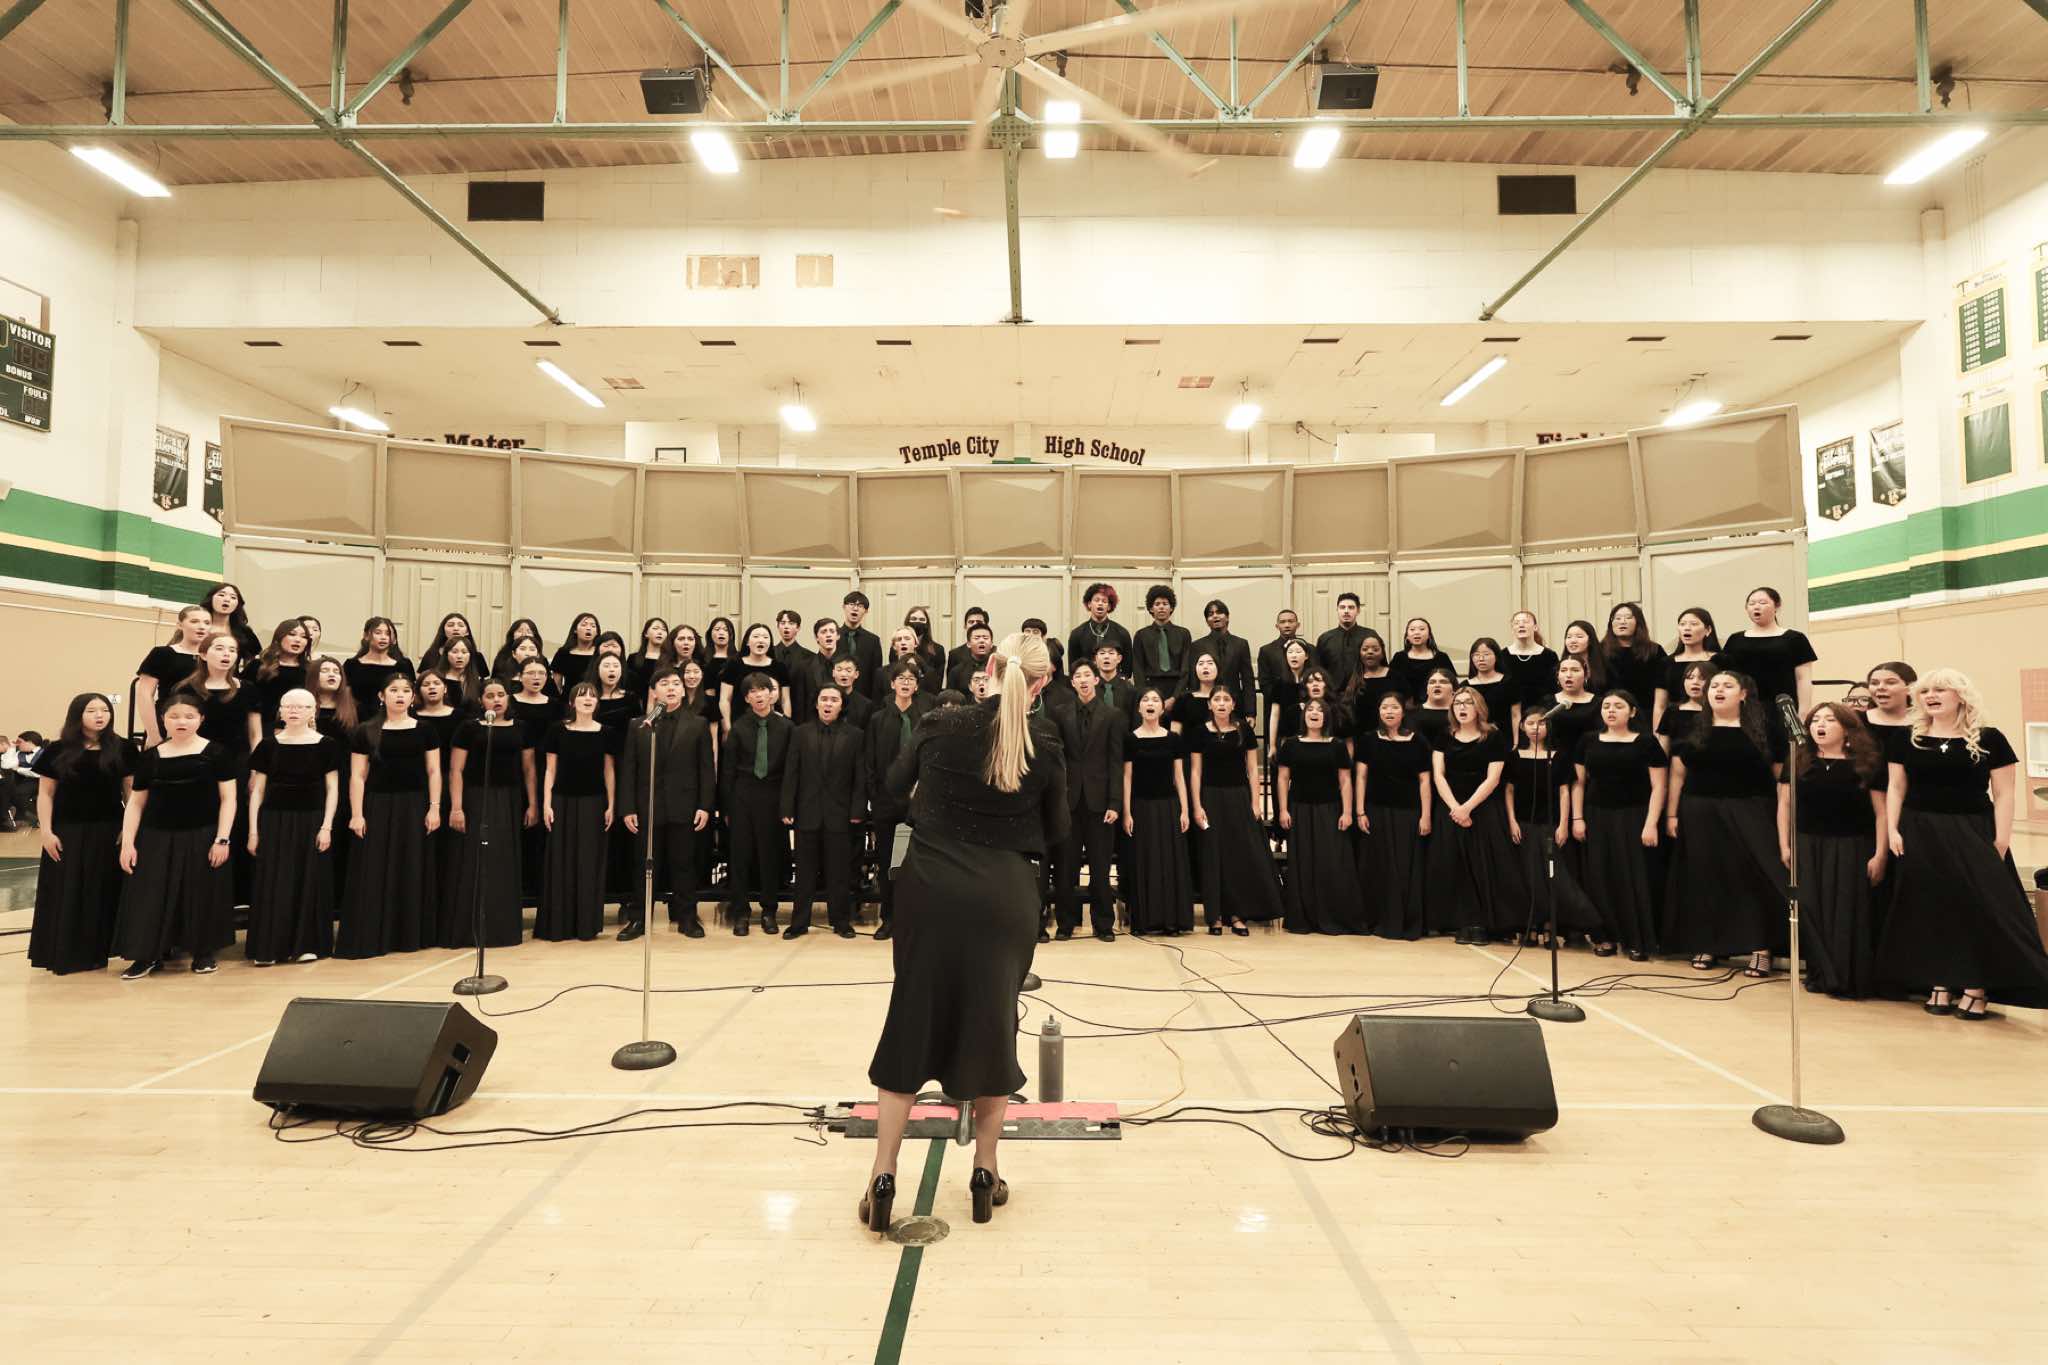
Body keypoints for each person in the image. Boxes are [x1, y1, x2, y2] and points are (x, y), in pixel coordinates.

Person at [863, 631, 1067, 1231]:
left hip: (930, 888)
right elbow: (1058, 829)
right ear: (1041, 683)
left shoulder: (939, 722)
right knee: (992, 1024)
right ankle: (984, 1170)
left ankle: (882, 1176)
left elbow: (892, 788)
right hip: (1003, 896)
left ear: (989, 667)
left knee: (911, 1019)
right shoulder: (1044, 741)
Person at [1874, 669, 2048, 1018]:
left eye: (1940, 689)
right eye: (1925, 691)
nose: (1931, 696)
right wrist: (1893, 829)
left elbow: (2004, 793)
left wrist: (2001, 839)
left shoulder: (1990, 738)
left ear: (1961, 696)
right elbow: (1896, 787)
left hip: (1972, 829)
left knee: (1977, 907)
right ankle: (1940, 980)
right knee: (1930, 906)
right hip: (1919, 829)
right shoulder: (1906, 738)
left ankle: (1975, 985)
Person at [1664, 671, 1787, 977]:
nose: (1718, 690)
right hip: (1699, 810)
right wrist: (1672, 814)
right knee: (1706, 876)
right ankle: (1708, 943)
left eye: (1727, 686)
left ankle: (1760, 947)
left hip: (1751, 809)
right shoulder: (1693, 726)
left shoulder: (1764, 728)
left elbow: (1780, 776)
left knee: (1751, 876)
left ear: (1743, 694)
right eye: (1714, 686)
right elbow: (1677, 774)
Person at [114, 692, 236, 979]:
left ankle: (203, 953)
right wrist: (128, 843)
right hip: (156, 836)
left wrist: (222, 838)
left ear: (201, 719)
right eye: (174, 716)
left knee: (201, 894)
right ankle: (147, 956)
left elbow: (228, 799)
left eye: (189, 716)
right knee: (150, 896)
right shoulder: (150, 757)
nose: (182, 721)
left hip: (202, 834)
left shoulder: (217, 753)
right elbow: (136, 802)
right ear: (163, 720)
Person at [338, 673, 442, 958]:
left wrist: (434, 807)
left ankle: (409, 935)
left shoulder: (425, 730)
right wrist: (357, 814)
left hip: (414, 805)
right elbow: (358, 776)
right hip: (378, 805)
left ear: (413, 697)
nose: (400, 695)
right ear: (382, 696)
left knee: (411, 867)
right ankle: (375, 933)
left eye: (406, 690)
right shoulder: (366, 731)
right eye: (394, 690)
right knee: (375, 869)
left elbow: (434, 770)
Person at [28, 694, 130, 975]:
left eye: (105, 710)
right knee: (67, 890)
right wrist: (46, 832)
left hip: (108, 830)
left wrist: (128, 828)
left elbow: (131, 792)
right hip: (66, 831)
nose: (100, 715)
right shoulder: (57, 749)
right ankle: (65, 952)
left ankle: (99, 952)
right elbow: (46, 794)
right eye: (91, 710)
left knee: (101, 891)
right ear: (77, 715)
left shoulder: (122, 748)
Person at [1791, 702, 1886, 998]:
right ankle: (1820, 974)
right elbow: (1785, 805)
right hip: (1808, 843)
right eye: (1815, 720)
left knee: (1846, 910)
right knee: (1812, 909)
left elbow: (1881, 813)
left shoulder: (1866, 764)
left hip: (1852, 845)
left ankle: (1846, 978)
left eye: (1830, 720)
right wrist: (1785, 844)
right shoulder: (1800, 760)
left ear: (1847, 729)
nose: (1820, 725)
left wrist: (1880, 853)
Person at [245, 688, 342, 966]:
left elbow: (332, 789)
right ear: (281, 711)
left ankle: (306, 945)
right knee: (274, 882)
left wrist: (326, 826)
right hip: (274, 820)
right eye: (288, 705)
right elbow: (257, 791)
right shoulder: (268, 746)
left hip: (311, 820)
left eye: (302, 706)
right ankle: (270, 948)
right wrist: (254, 831)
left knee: (308, 880)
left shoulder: (327, 745)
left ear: (313, 711)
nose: (294, 710)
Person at [616, 667, 716, 939]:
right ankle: (639, 919)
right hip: (647, 806)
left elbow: (706, 769)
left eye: (675, 683)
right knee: (643, 865)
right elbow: (629, 769)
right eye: (664, 683)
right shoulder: (639, 725)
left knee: (684, 864)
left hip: (685, 805)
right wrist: (627, 808)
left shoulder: (698, 724)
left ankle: (687, 918)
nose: (671, 688)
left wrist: (705, 805)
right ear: (653, 692)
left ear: (683, 690)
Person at [1572, 689, 1668, 960]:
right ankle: (1605, 937)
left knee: (1632, 878)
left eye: (1618, 706)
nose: (1611, 710)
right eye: (1606, 706)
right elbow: (1578, 783)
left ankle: (1637, 940)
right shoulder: (1588, 740)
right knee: (1600, 878)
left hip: (1634, 816)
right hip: (1596, 815)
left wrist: (1651, 823)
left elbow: (1659, 786)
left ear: (1633, 712)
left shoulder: (1646, 742)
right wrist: (1577, 818)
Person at [1426, 687, 1522, 944]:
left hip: (1483, 807)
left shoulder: (1493, 736)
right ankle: (1460, 923)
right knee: (1454, 864)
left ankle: (1484, 923)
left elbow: (1493, 778)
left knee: (1483, 865)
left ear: (1478, 707)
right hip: (1450, 807)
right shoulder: (1444, 736)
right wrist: (1455, 808)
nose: (1462, 707)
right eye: (1458, 703)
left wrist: (1467, 808)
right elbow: (1438, 775)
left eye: (1468, 703)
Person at [444, 679, 533, 949]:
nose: (496, 699)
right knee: (475, 859)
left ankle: (502, 929)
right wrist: (456, 807)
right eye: (490, 695)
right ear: (481, 701)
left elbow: (529, 769)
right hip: (476, 797)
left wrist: (533, 804)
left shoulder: (521, 728)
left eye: (501, 694)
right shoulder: (469, 728)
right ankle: (469, 929)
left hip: (509, 799)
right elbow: (456, 770)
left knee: (503, 859)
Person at [1189, 686, 1283, 936]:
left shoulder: (1244, 730)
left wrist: (1256, 803)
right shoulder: (1200, 732)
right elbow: (1195, 772)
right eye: (1217, 699)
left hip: (1239, 797)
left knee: (1238, 856)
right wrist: (1197, 805)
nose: (1221, 703)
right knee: (1212, 856)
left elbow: (1252, 769)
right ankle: (1215, 916)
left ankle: (1237, 915)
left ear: (1233, 704)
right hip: (1210, 797)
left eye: (1226, 699)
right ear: (1209, 705)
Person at [1504, 709, 1599, 951]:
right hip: (1523, 823)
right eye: (1531, 723)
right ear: (1522, 726)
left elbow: (1564, 791)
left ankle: (1550, 926)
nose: (1536, 728)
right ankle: (1531, 925)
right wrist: (1512, 821)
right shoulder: (1514, 756)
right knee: (1528, 877)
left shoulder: (1559, 756)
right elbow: (1509, 790)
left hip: (1550, 823)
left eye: (1541, 723)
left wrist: (1563, 824)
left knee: (1552, 878)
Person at [781, 683, 867, 939]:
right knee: (804, 873)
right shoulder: (800, 733)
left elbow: (860, 777)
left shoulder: (855, 735)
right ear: (816, 703)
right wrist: (787, 806)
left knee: (839, 873)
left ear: (842, 705)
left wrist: (857, 810)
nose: (828, 704)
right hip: (807, 812)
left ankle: (841, 922)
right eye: (824, 699)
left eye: (834, 700)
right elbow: (791, 772)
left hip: (840, 814)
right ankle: (799, 923)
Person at [1276, 697, 1365, 935]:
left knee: (1331, 862)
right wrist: (1283, 809)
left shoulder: (1336, 745)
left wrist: (1347, 811)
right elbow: (1283, 779)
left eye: (1319, 710)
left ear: (1326, 717)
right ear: (1304, 716)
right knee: (1303, 862)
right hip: (1300, 809)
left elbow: (1345, 781)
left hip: (1330, 809)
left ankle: (1332, 915)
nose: (1314, 713)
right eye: (1310, 709)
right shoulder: (1291, 744)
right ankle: (1303, 918)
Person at [536, 683, 615, 942]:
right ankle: (559, 924)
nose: (588, 699)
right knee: (561, 861)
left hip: (594, 802)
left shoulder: (606, 732)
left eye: (592, 696)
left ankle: (586, 924)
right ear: (572, 702)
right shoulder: (557, 730)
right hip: (562, 801)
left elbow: (609, 771)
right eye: (582, 696)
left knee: (588, 861)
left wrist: (611, 804)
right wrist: (546, 804)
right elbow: (550, 770)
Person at [865, 661, 935, 942]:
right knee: (887, 863)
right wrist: (875, 796)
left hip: (919, 802)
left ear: (917, 686)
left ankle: (916, 919)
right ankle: (889, 918)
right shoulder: (878, 719)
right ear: (892, 684)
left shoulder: (925, 719)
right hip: (886, 802)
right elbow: (870, 762)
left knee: (918, 863)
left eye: (911, 679)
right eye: (901, 678)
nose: (906, 682)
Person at [1053, 660, 1122, 942]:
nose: (1082, 680)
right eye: (1077, 676)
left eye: (1087, 675)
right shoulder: (1060, 713)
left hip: (1100, 803)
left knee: (1100, 867)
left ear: (1096, 680)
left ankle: (1103, 923)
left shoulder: (1112, 715)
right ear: (1072, 683)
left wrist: (1115, 803)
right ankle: (1066, 923)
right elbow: (1057, 760)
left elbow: (1116, 762)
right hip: (1068, 802)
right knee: (1066, 867)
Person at [1355, 692, 1432, 940]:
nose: (1389, 711)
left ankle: (1405, 921)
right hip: (1375, 811)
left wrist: (1426, 815)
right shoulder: (1368, 740)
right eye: (1384, 707)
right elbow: (1361, 777)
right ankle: (1376, 919)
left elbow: (1424, 781)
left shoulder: (1418, 741)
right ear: (1379, 712)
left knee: (1405, 867)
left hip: (1408, 812)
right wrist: (1359, 811)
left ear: (1403, 711)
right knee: (1378, 865)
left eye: (1394, 707)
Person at [723, 673, 794, 935]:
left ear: (772, 694)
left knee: (769, 855)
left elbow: (792, 770)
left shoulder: (787, 727)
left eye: (763, 689)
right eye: (752, 692)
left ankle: (769, 911)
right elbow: (728, 771)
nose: (759, 695)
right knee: (740, 857)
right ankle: (741, 912)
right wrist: (727, 807)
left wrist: (787, 805)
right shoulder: (739, 728)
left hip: (773, 795)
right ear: (746, 698)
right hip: (743, 794)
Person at [1123, 688, 1193, 936]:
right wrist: (1127, 812)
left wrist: (1185, 810)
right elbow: (1127, 777)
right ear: (1139, 708)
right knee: (1145, 861)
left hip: (1168, 806)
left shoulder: (1173, 739)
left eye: (1155, 700)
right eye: (1145, 700)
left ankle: (1171, 920)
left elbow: (1179, 777)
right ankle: (1145, 921)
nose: (1150, 703)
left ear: (1163, 708)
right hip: (1141, 807)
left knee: (1169, 863)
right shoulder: (1130, 739)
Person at [1715, 586, 1816, 749]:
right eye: (1751, 603)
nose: (1756, 607)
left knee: (1781, 753)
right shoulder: (1736, 639)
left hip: (1782, 708)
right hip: (1744, 708)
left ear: (1777, 606)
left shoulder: (1794, 638)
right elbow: (1725, 676)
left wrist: (1803, 712)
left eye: (1762, 603)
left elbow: (1803, 678)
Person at [133, 605, 210, 747]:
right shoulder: (162, 654)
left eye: (206, 623)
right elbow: (144, 695)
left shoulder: (213, 658)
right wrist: (153, 734)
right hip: (169, 723)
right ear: (180, 625)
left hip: (205, 725)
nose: (201, 627)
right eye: (194, 621)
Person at [1598, 602, 1671, 730]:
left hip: (1646, 716)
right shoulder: (1600, 651)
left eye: (1628, 617)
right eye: (1617, 618)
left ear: (1638, 622)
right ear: (1611, 623)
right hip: (1609, 715)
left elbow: (1663, 687)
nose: (1622, 622)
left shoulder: (1654, 651)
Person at [1186, 599, 1255, 715]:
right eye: (1210, 614)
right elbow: (1193, 681)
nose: (1215, 616)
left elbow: (1248, 681)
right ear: (1207, 621)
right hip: (1205, 705)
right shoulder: (1197, 646)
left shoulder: (1240, 644)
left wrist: (1250, 712)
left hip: (1234, 705)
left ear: (1227, 617)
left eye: (1219, 612)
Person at [247, 618, 313, 733]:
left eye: (304, 637)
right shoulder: (259, 666)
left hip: (296, 728)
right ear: (279, 637)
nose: (298, 640)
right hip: (259, 726)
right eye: (292, 634)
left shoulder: (310, 670)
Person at [343, 617, 416, 717]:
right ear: (366, 636)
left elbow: (411, 695)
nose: (383, 637)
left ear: (393, 639)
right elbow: (345, 697)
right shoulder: (352, 665)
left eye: (387, 634)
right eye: (378, 633)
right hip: (359, 718)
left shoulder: (403, 665)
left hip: (394, 717)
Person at [197, 582, 262, 678]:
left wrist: (242, 680)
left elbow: (252, 658)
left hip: (230, 682)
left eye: (233, 597)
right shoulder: (197, 627)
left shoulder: (244, 631)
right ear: (211, 599)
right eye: (221, 595)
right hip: (197, 679)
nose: (227, 599)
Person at [1502, 610, 1558, 723]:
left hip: (1542, 712)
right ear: (1512, 629)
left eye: (1525, 622)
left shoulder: (1549, 656)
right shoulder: (1502, 656)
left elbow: (1554, 688)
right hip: (1509, 714)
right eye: (1517, 623)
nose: (1521, 625)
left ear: (1535, 627)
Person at [1067, 585, 1131, 681]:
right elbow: (1073, 667)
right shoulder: (1077, 634)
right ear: (1089, 604)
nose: (1100, 604)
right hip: (1087, 684)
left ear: (1109, 606)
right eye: (1096, 600)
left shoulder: (1121, 633)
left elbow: (1127, 668)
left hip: (1115, 684)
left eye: (1104, 601)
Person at [1542, 655, 1601, 760]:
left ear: (1586, 674)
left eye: (1575, 670)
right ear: (1557, 675)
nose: (1568, 675)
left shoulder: (1599, 703)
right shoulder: (1547, 702)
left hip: (1589, 758)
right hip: (1555, 759)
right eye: (1563, 670)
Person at [1387, 618, 1456, 706]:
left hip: (1436, 706)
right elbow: (1390, 684)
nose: (1417, 632)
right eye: (1412, 629)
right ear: (1407, 636)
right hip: (1405, 707)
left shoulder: (1441, 657)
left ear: (1429, 635)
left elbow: (1453, 683)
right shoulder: (1399, 658)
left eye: (1422, 629)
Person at [1665, 607, 1721, 713]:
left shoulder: (1721, 660)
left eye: (1694, 624)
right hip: (1676, 717)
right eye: (1682, 624)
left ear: (1708, 630)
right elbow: (1660, 704)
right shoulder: (1667, 662)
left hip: (1713, 715)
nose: (1687, 628)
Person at [1265, 637, 1312, 757]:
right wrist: (1273, 745)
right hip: (1286, 737)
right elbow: (1274, 715)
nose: (1294, 655)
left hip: (1309, 737)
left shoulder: (1312, 682)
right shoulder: (1280, 683)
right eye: (1290, 652)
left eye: (1298, 651)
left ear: (1306, 656)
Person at [1862, 660, 1916, 761]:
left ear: (1910, 687)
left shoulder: (1925, 721)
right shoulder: (1857, 721)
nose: (1880, 687)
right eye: (1874, 683)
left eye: (1890, 683)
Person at [1256, 609, 1303, 721]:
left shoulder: (1309, 649)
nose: (1287, 625)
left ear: (1298, 625)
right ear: (1277, 626)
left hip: (1303, 706)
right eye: (1282, 622)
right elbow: (1264, 683)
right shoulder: (1266, 651)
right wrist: (1280, 700)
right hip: (1276, 707)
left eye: (1291, 621)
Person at [1315, 592, 1368, 691]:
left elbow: (1380, 668)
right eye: (1342, 607)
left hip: (1364, 693)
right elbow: (1318, 670)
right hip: (1332, 695)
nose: (1346, 611)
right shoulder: (1325, 638)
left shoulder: (1369, 636)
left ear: (1358, 611)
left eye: (1351, 607)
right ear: (1337, 610)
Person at [1657, 661, 1711, 754]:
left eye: (1702, 678)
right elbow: (1663, 750)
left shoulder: (1717, 712)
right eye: (1690, 678)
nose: (1695, 682)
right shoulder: (1672, 711)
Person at [839, 591, 885, 696]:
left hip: (864, 696)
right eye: (851, 604)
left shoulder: (873, 640)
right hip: (836, 695)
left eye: (860, 606)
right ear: (844, 607)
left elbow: (876, 674)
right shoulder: (834, 637)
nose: (855, 608)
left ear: (866, 611)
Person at [1464, 637, 1514, 731]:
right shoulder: (1465, 686)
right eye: (1476, 655)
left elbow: (1515, 715)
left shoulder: (1509, 682)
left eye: (1486, 654)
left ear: (1496, 656)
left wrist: (1516, 739)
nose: (1481, 659)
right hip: (1475, 734)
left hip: (1505, 734)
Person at [549, 612, 602, 690]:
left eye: (593, 626)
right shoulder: (563, 653)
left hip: (594, 696)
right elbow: (557, 686)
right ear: (575, 630)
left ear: (597, 632)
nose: (588, 628)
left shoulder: (600, 653)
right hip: (568, 696)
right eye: (584, 625)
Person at [1411, 667, 1457, 749]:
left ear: (1454, 689)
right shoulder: (1412, 714)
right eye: (1432, 682)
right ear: (1426, 689)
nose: (1437, 685)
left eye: (1443, 682)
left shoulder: (1460, 713)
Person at [625, 618, 670, 699]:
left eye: (664, 630)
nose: (660, 632)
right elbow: (627, 684)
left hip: (662, 702)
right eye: (655, 628)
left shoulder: (671, 659)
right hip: (637, 702)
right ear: (646, 633)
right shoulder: (633, 658)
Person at [948, 622, 997, 694]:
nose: (981, 641)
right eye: (977, 638)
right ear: (968, 644)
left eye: (985, 638)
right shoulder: (957, 672)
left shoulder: (998, 669)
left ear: (992, 644)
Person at [1558, 619, 1603, 692]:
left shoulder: (1605, 664)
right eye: (1569, 637)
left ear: (1590, 640)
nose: (1573, 641)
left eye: (1579, 637)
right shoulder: (1559, 666)